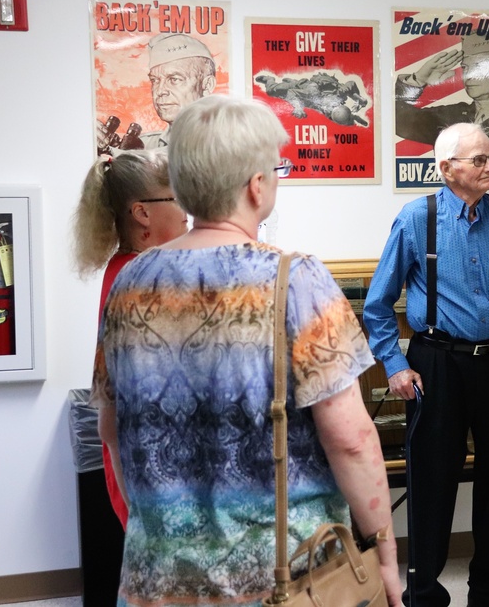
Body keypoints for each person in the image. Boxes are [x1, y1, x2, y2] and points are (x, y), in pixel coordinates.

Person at [91, 95, 401, 607]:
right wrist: (385, 554)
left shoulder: (129, 283)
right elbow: (349, 439)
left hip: (158, 578)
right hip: (282, 578)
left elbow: (110, 428)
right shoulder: (296, 280)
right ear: (257, 185)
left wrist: (159, 526)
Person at [363, 122, 489, 607]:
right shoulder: (415, 219)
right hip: (436, 365)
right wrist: (394, 365)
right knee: (432, 480)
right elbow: (378, 305)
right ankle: (424, 591)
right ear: (447, 168)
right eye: (480, 160)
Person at [72, 149, 189, 530]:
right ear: (143, 213)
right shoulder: (142, 275)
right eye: (176, 198)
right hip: (144, 465)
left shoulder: (131, 267)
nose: (187, 208)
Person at [395, 33, 489, 156]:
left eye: (478, 67)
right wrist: (418, 80)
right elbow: (398, 120)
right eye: (465, 68)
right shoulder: (451, 116)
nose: (469, 75)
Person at [97, 32, 216, 153]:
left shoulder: (224, 147)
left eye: (174, 79)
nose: (160, 91)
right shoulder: (144, 147)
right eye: (155, 80)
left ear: (207, 85)